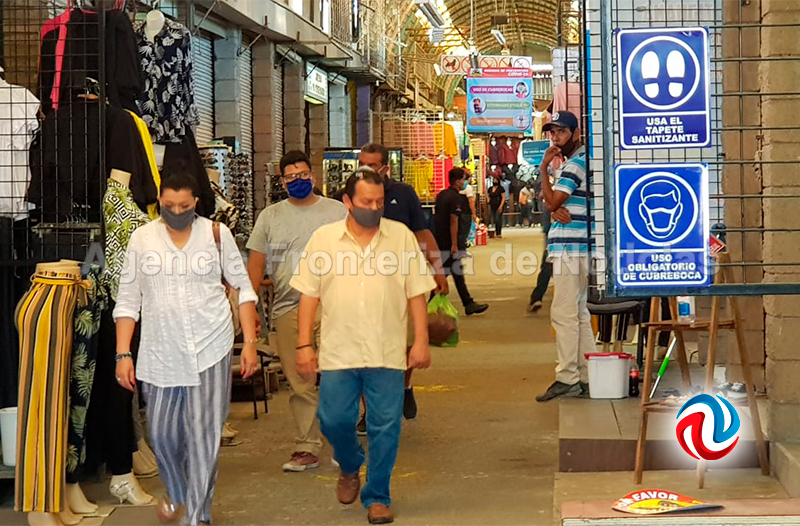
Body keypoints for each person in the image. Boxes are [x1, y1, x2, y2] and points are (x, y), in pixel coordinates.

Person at [114, 168, 260, 525]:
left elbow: (244, 289)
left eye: (183, 206)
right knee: (162, 435)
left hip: (211, 345)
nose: (176, 212)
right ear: (158, 203)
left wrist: (251, 344)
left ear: (195, 202)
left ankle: (195, 516)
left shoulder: (216, 234)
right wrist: (122, 353)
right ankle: (179, 493)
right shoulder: (142, 239)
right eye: (168, 205)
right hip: (159, 352)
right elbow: (128, 301)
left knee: (203, 436)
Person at [291, 168, 435, 524]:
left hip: (386, 351)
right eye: (366, 202)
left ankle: (378, 496)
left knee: (385, 425)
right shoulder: (324, 240)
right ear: (347, 203)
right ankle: (351, 463)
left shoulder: (399, 237)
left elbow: (417, 291)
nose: (374, 207)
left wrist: (420, 340)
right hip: (339, 352)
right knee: (334, 419)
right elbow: (308, 295)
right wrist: (303, 345)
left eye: (379, 201)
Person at [247, 150, 347, 472]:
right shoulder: (270, 217)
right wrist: (250, 312)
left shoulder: (337, 211)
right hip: (288, 308)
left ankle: (341, 441)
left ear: (313, 176)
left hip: (334, 305)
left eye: (303, 175)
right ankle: (306, 446)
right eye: (291, 177)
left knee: (338, 376)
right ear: (282, 181)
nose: (298, 181)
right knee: (301, 380)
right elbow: (255, 265)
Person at [336, 143, 448, 424]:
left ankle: (405, 385)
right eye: (362, 163)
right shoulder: (345, 197)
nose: (366, 169)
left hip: (401, 282)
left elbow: (422, 234)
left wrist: (438, 271)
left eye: (373, 165)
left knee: (405, 344)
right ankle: (369, 410)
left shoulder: (403, 194)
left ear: (385, 167)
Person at [534, 110, 594, 402]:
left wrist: (544, 169)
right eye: (552, 132)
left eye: (561, 132)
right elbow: (554, 203)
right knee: (579, 313)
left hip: (571, 249)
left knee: (564, 313)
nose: (555, 138)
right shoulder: (574, 163)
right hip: (576, 247)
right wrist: (554, 206)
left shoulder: (574, 165)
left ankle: (567, 376)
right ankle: (585, 374)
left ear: (575, 133)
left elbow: (553, 200)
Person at [434, 168, 489, 316]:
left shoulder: (441, 195)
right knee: (446, 272)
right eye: (464, 179)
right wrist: (454, 244)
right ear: (458, 181)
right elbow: (454, 221)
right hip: (448, 241)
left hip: (438, 238)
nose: (466, 182)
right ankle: (430, 305)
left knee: (454, 271)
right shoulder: (455, 198)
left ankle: (468, 303)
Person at [528, 179, 552, 313]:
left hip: (555, 242)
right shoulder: (549, 205)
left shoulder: (550, 204)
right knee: (547, 269)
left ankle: (536, 298)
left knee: (546, 270)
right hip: (555, 241)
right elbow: (547, 228)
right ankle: (536, 298)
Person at [488, 173, 506, 238]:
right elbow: (488, 196)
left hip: (499, 204)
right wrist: (488, 202)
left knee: (498, 218)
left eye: (496, 180)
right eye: (494, 180)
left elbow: (503, 197)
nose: (495, 181)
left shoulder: (501, 188)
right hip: (492, 205)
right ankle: (495, 231)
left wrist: (501, 206)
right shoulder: (490, 188)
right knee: (494, 219)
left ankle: (499, 232)